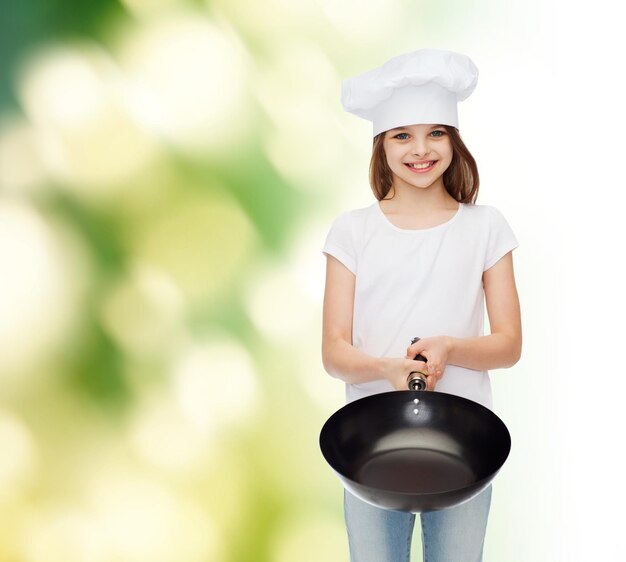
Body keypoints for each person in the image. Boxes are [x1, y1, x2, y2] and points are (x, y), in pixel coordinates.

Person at [321, 49, 522, 562]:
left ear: (454, 141)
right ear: (380, 145)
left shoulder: (485, 227)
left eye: (436, 132)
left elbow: (508, 345)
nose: (420, 150)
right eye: (402, 135)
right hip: (371, 443)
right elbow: (334, 352)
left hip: (463, 446)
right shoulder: (353, 231)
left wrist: (450, 347)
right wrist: (387, 367)